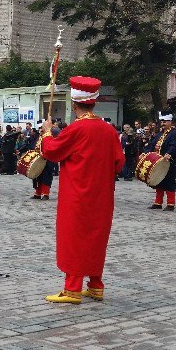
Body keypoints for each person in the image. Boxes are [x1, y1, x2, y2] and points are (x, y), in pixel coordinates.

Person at [40, 77, 124, 304]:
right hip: (102, 196)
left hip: (76, 195)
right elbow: (119, 163)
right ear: (94, 102)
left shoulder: (76, 129)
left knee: (74, 238)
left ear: (74, 105)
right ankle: (96, 285)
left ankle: (72, 288)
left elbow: (51, 152)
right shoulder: (108, 130)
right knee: (96, 238)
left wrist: (47, 132)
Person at [145, 111, 176, 210]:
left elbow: (175, 145)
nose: (163, 123)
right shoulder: (160, 134)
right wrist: (145, 153)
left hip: (169, 162)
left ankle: (171, 204)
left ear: (170, 122)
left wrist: (169, 153)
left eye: (165, 121)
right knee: (158, 181)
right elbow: (152, 144)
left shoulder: (175, 133)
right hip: (158, 162)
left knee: (169, 182)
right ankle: (158, 202)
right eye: (162, 121)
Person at [32, 120, 60, 200]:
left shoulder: (51, 135)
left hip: (47, 160)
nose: (40, 130)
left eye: (42, 128)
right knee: (37, 177)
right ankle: (38, 193)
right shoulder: (40, 137)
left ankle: (45, 193)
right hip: (39, 160)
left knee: (46, 177)